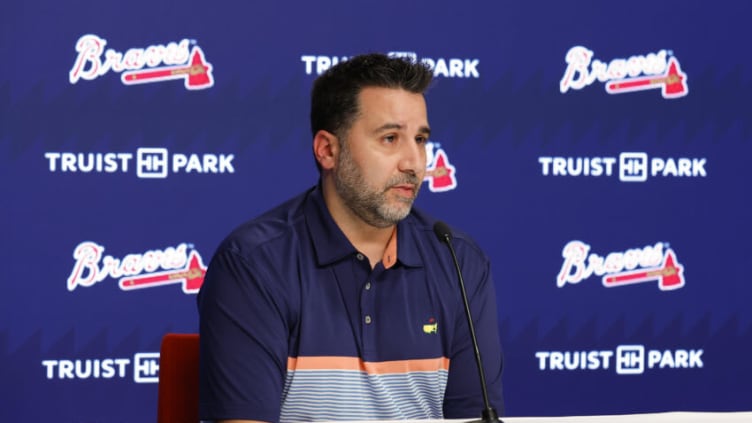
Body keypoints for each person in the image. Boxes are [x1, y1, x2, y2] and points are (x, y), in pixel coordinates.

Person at [197, 53, 504, 423]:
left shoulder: (459, 260)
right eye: (390, 138)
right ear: (328, 150)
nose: (414, 162)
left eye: (420, 139)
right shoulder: (253, 263)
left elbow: (474, 416)